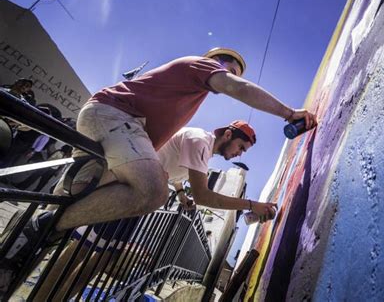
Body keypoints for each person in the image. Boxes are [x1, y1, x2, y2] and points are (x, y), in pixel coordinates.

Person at [0, 47, 316, 280]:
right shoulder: (199, 67)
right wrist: (290, 114)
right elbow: (238, 88)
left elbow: (175, 171)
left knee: (75, 198)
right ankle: (44, 226)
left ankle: (27, 245)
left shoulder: (190, 97)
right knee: (152, 193)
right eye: (227, 67)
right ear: (213, 61)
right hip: (116, 117)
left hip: (120, 132)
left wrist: (179, 192)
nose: (229, 75)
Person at [34, 120, 270, 300]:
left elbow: (173, 169)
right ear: (228, 134)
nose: (239, 153)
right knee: (81, 251)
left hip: (135, 202)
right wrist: (251, 205)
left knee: (100, 259)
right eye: (241, 147)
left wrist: (179, 193)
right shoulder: (199, 140)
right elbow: (204, 195)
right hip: (125, 193)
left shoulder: (202, 150)